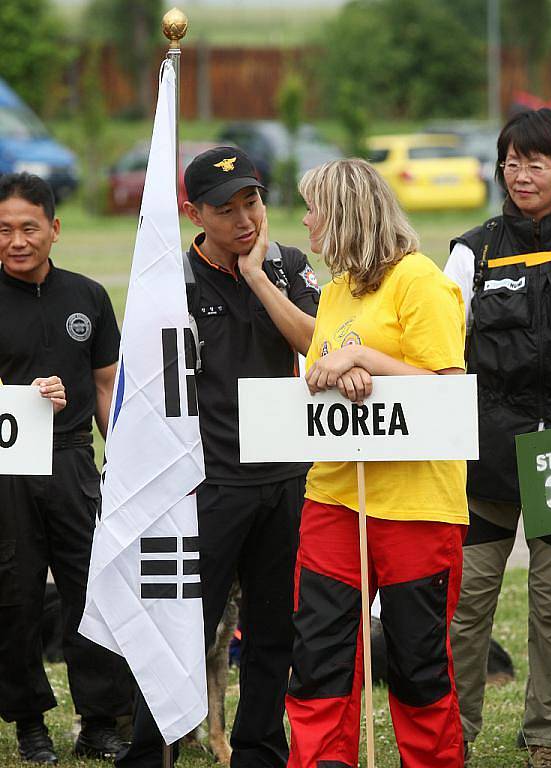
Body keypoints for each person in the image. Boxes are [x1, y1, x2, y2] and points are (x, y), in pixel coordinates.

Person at [115, 146, 320, 768]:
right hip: (205, 484)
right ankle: (152, 749)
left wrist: (258, 275)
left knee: (272, 629)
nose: (244, 220)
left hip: (285, 476)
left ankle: (258, 749)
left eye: (252, 202)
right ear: (193, 213)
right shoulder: (171, 284)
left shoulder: (287, 266)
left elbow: (317, 341)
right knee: (180, 627)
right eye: (225, 210)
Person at [285, 158, 468, 768]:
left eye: (315, 208)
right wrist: (340, 370)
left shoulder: (422, 282)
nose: (306, 220)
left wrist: (367, 356)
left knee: (417, 664)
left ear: (345, 216)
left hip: (416, 506)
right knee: (319, 657)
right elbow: (319, 375)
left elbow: (447, 393)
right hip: (334, 498)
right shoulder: (335, 291)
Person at [445, 108, 551, 768]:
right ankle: (455, 732)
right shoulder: (472, 251)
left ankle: (546, 737)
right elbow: (439, 350)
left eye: (536, 162)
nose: (520, 174)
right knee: (467, 605)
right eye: (511, 160)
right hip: (485, 452)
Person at [0, 173, 133, 765]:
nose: (16, 241)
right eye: (3, 230)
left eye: (28, 228)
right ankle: (29, 722)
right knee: (16, 596)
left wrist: (124, 463)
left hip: (74, 461)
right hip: (6, 469)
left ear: (54, 228)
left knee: (92, 591)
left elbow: (108, 387)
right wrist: (22, 395)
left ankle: (100, 720)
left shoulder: (88, 296)